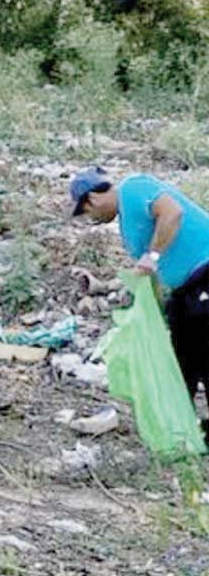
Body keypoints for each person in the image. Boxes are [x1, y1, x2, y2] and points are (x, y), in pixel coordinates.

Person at [69, 167, 209, 430]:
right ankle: (182, 429)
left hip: (205, 271)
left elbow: (172, 212)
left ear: (93, 199)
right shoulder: (127, 229)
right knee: (182, 357)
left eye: (87, 212)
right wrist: (152, 314)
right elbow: (151, 276)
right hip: (184, 288)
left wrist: (152, 255)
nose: (92, 218)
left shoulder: (132, 188)